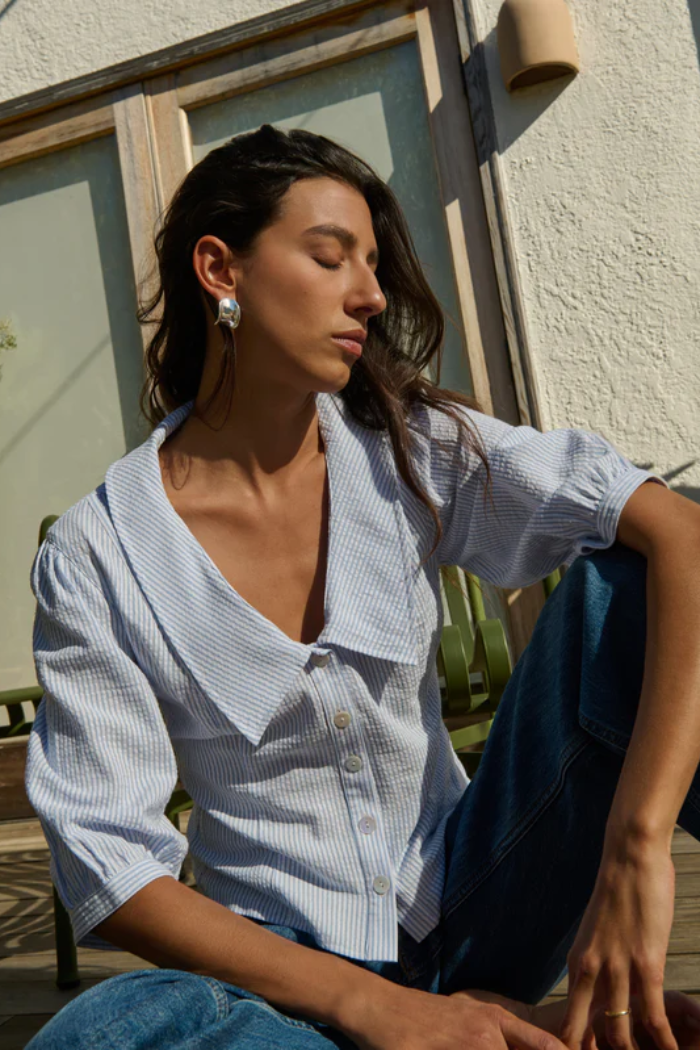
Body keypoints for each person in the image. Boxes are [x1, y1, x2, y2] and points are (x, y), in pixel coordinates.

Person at [24, 124, 700, 1050]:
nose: (372, 295)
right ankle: (495, 1032)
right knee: (106, 1032)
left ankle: (490, 1021)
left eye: (373, 264)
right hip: (290, 984)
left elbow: (679, 531)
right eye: (330, 255)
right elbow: (110, 870)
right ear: (220, 270)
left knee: (619, 598)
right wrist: (379, 1009)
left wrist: (636, 845)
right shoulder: (99, 553)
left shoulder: (406, 445)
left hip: (481, 890)